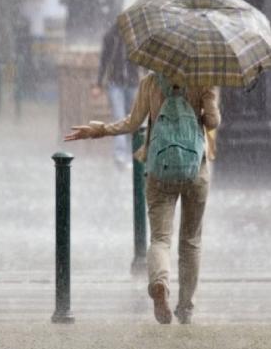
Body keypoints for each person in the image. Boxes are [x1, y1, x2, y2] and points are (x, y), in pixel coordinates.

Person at [64, 72, 220, 325]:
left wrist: (99, 130)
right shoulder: (203, 78)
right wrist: (201, 112)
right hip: (195, 170)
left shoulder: (152, 81)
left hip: (160, 169)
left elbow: (133, 123)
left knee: (160, 238)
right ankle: (186, 309)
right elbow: (213, 121)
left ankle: (160, 282)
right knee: (190, 241)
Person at [91, 23, 141, 169]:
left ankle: (132, 154)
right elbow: (104, 62)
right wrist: (99, 84)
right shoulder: (111, 36)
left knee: (132, 119)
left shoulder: (137, 37)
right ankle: (120, 155)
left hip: (132, 83)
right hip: (116, 84)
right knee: (119, 118)